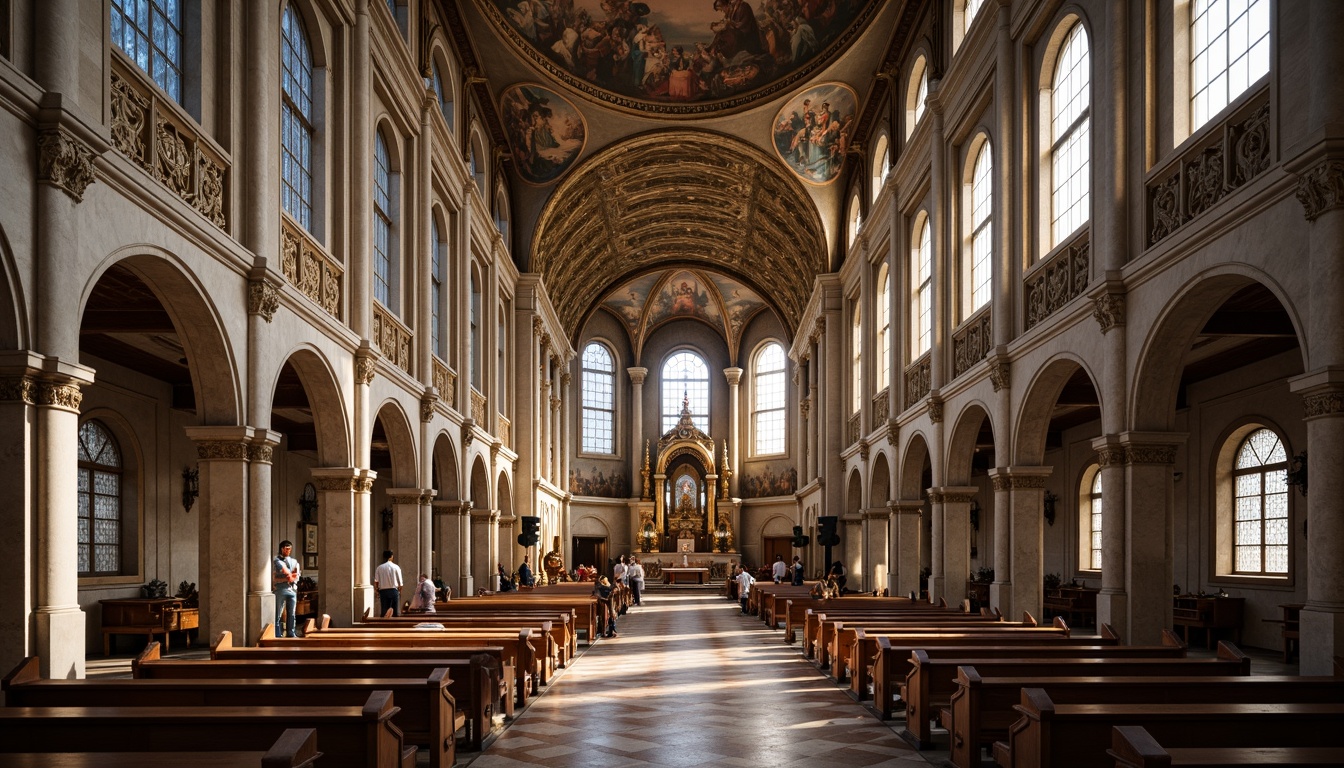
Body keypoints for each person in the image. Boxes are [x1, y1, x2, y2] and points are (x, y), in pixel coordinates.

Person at [272, 539, 301, 637]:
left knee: (292, 613)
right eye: (286, 549)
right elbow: (282, 574)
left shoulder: (294, 561)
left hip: (292, 589)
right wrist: (288, 576)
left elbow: (296, 575)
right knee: (278, 612)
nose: (288, 551)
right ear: (282, 549)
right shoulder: (276, 560)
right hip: (280, 588)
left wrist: (291, 577)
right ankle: (277, 633)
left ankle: (291, 632)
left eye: (290, 549)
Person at [373, 550, 404, 617]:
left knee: (384, 611)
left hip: (383, 591)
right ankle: (395, 625)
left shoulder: (379, 568)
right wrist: (400, 591)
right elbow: (400, 583)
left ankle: (383, 625)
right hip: (393, 590)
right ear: (391, 556)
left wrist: (376, 591)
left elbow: (376, 581)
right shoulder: (396, 567)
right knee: (394, 611)